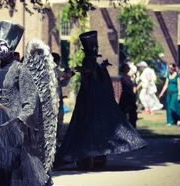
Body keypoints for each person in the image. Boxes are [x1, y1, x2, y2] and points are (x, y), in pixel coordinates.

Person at [54, 31, 146, 170]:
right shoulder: (91, 61)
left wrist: (88, 69)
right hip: (90, 98)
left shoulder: (91, 61)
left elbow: (93, 74)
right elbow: (91, 73)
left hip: (91, 99)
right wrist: (85, 69)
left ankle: (94, 154)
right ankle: (93, 154)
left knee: (89, 124)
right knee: (90, 124)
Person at [0, 20, 55, 186]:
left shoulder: (21, 70)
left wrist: (21, 119)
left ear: (11, 47)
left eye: (3, 45)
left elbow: (31, 99)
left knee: (16, 156)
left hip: (14, 120)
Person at [51, 52, 71, 142]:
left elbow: (62, 83)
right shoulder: (54, 70)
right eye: (59, 61)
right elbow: (66, 76)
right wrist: (69, 72)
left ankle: (56, 140)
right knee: (57, 122)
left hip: (54, 101)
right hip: (55, 102)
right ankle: (57, 140)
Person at [119, 63, 138, 128]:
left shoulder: (129, 76)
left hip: (131, 95)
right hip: (126, 96)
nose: (128, 69)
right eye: (127, 67)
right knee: (123, 111)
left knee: (133, 112)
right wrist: (133, 80)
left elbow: (134, 86)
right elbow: (129, 84)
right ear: (123, 69)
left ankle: (133, 126)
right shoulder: (122, 77)